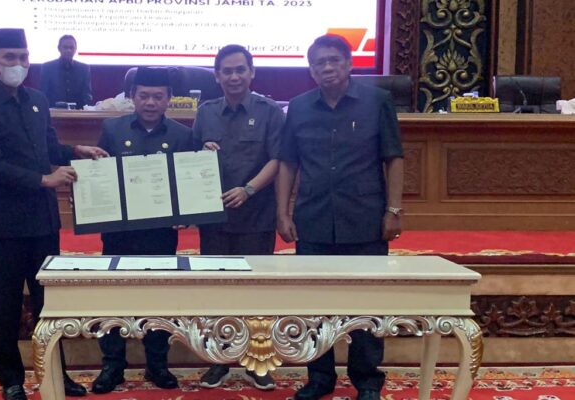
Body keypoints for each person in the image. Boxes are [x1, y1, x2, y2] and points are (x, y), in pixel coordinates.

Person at [0, 28, 108, 400]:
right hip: (4, 227)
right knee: (7, 308)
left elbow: (47, 148)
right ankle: (11, 381)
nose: (18, 64)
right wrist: (44, 179)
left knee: (49, 308)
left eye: (24, 57)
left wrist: (77, 150)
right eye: (9, 57)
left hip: (42, 223)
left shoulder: (38, 100)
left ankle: (56, 375)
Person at [276, 35, 405, 400]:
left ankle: (366, 380)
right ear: (311, 69)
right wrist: (282, 212)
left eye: (334, 60)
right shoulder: (299, 106)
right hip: (313, 218)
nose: (327, 68)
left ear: (349, 64)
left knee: (367, 303)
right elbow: (288, 162)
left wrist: (394, 210)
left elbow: (393, 157)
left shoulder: (377, 101)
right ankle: (320, 377)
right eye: (320, 62)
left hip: (364, 218)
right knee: (315, 304)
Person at [90, 67, 193, 394]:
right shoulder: (112, 128)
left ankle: (157, 364)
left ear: (169, 98)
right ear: (132, 96)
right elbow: (98, 174)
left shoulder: (182, 135)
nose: (150, 102)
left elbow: (187, 181)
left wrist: (187, 212)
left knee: (158, 295)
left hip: (160, 233)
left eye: (158, 96)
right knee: (113, 297)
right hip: (119, 232)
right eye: (144, 95)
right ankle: (113, 366)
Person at [192, 44, 283, 391]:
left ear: (251, 72)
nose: (234, 76)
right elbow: (191, 158)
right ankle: (219, 360)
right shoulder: (206, 112)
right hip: (215, 219)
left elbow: (277, 160)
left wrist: (248, 189)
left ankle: (258, 361)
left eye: (240, 69)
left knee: (256, 291)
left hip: (256, 215)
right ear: (217, 76)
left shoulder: (270, 111)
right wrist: (201, 153)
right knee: (217, 289)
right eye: (227, 71)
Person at [39, 35, 93, 109]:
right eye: (65, 47)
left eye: (71, 47)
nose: (68, 50)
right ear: (59, 48)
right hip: (53, 112)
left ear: (75, 49)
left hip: (78, 112)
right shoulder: (47, 67)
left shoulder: (84, 69)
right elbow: (43, 94)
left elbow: (87, 95)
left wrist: (85, 110)